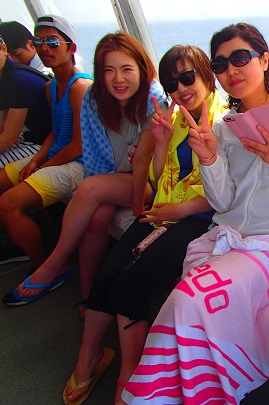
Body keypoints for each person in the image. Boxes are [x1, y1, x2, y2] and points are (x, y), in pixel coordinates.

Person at [119, 22, 269, 405]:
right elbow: (223, 203)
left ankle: (147, 395)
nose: (231, 70)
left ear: (264, 59)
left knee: (187, 300)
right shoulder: (225, 126)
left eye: (240, 58)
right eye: (220, 64)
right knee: (184, 300)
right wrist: (208, 158)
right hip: (226, 238)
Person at [62, 44, 226, 405]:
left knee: (131, 283)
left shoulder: (225, 121)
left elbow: (229, 193)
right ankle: (89, 356)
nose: (181, 88)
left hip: (203, 219)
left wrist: (180, 211)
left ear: (206, 74)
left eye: (188, 77)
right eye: (172, 83)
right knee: (106, 274)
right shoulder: (177, 119)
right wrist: (162, 144)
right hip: (165, 210)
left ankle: (130, 377)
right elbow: (158, 177)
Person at [2, 32, 169, 308]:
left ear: (141, 69)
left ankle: (53, 265)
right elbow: (93, 150)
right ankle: (89, 295)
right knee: (96, 218)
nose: (118, 79)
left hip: (146, 183)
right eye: (109, 70)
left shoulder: (152, 101)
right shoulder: (94, 99)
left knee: (89, 188)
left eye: (126, 69)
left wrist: (138, 208)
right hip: (112, 177)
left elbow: (141, 162)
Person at [0, 14, 92, 304]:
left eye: (53, 41)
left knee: (8, 204)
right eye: (39, 41)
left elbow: (79, 144)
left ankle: (48, 268)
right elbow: (55, 132)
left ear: (71, 47)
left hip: (79, 164)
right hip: (56, 157)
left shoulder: (79, 88)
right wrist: (35, 160)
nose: (44, 48)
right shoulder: (51, 86)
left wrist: (43, 165)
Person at [0, 33, 51, 183]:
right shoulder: (5, 78)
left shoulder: (19, 80)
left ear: (3, 48)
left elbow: (10, 136)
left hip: (44, 143)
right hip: (30, 137)